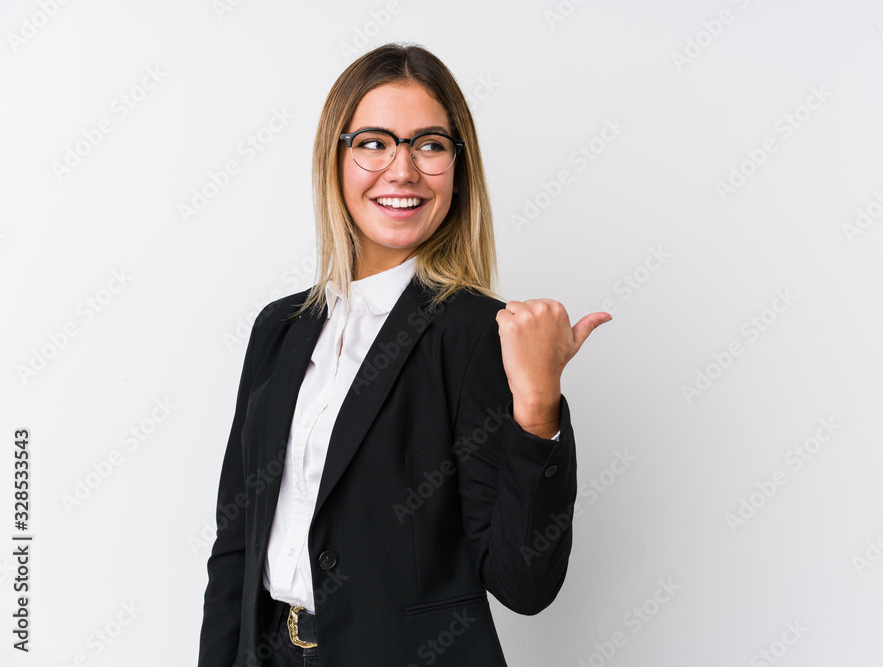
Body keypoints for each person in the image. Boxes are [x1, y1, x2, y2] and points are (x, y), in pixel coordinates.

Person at [197, 42, 611, 667]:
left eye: (430, 144)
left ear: (457, 166)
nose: (403, 170)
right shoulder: (279, 328)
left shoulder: (479, 333)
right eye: (373, 142)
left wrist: (538, 405)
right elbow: (235, 543)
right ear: (334, 159)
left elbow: (524, 585)